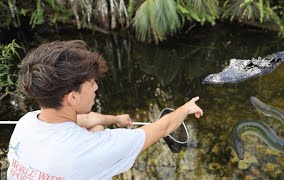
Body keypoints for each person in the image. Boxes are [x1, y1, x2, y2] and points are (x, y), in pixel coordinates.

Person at [7, 40, 203, 179]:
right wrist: (186, 108)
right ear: (73, 97)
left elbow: (83, 121)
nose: (96, 87)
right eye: (91, 82)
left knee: (97, 128)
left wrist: (115, 119)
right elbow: (162, 127)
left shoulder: (27, 122)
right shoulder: (91, 149)